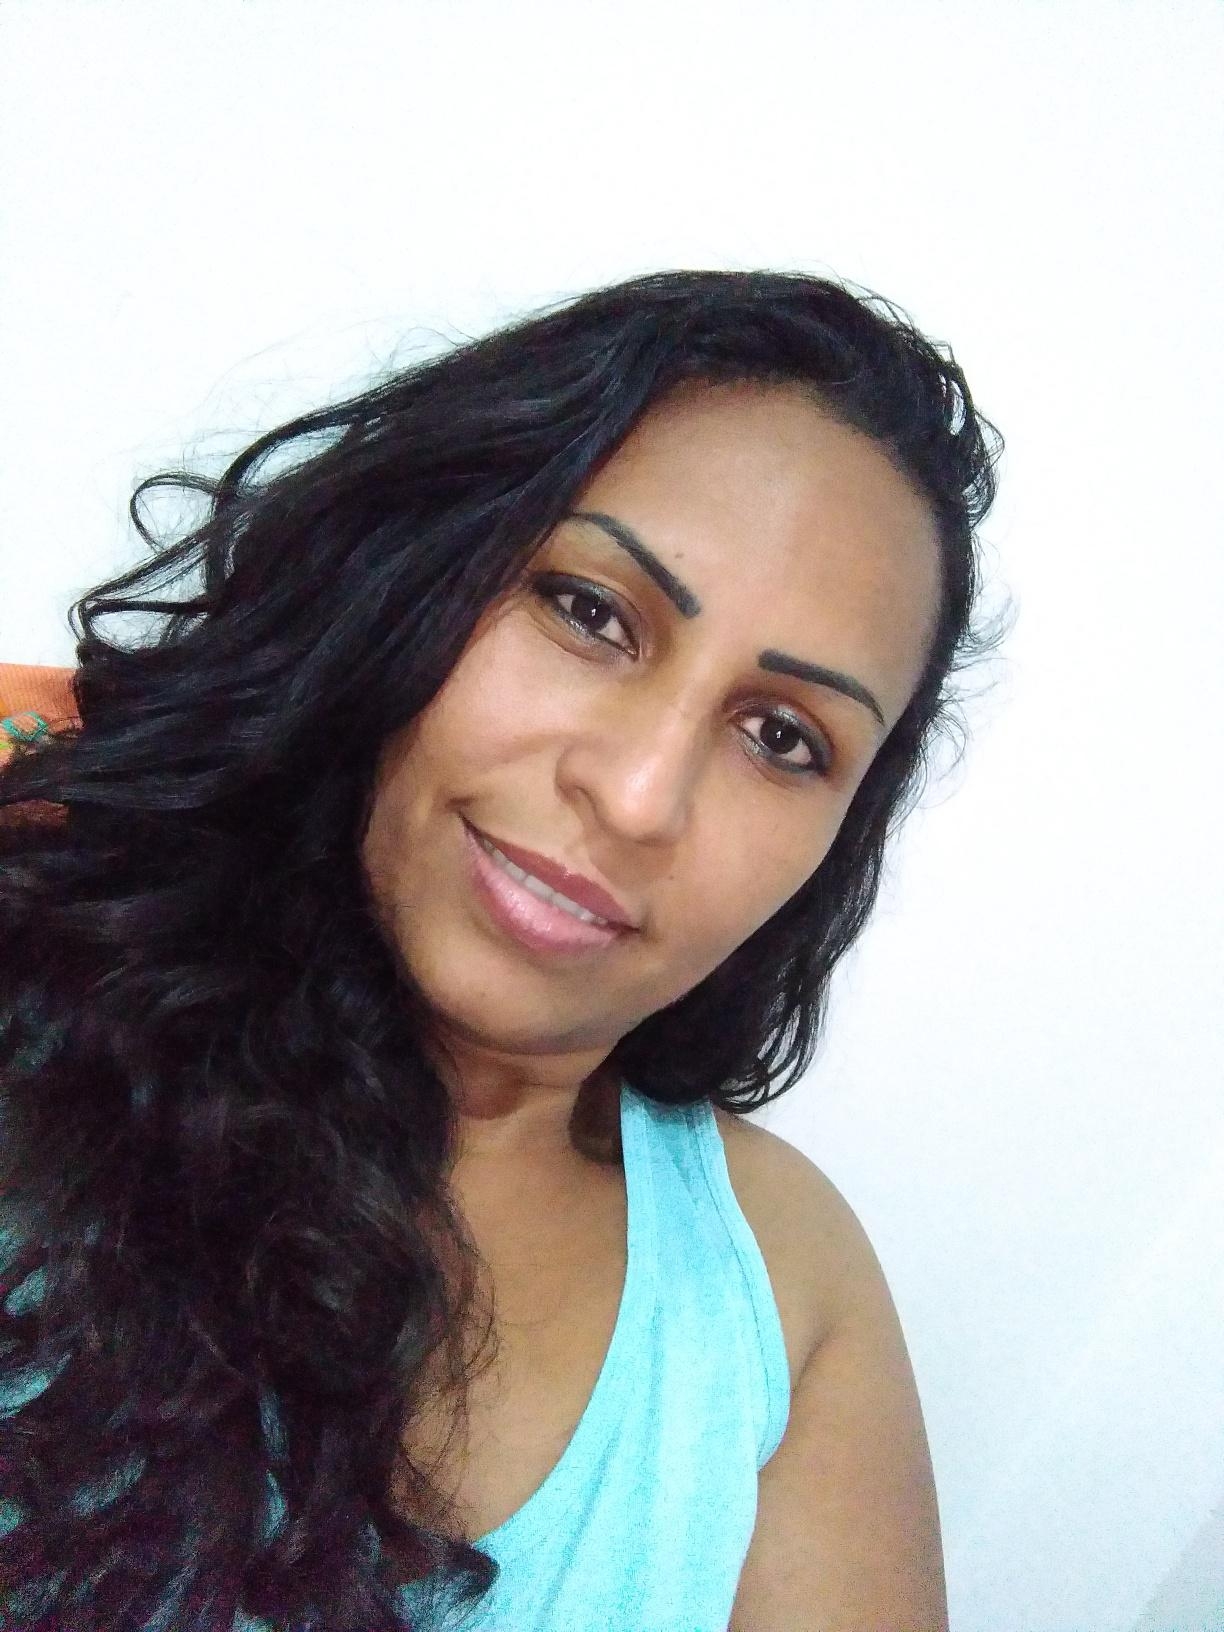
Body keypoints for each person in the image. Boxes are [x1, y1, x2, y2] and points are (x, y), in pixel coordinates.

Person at [0, 267, 1005, 1631]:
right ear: (412, 569)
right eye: (592, 613)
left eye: (782, 738)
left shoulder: (778, 1285)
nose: (638, 797)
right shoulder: (39, 937)